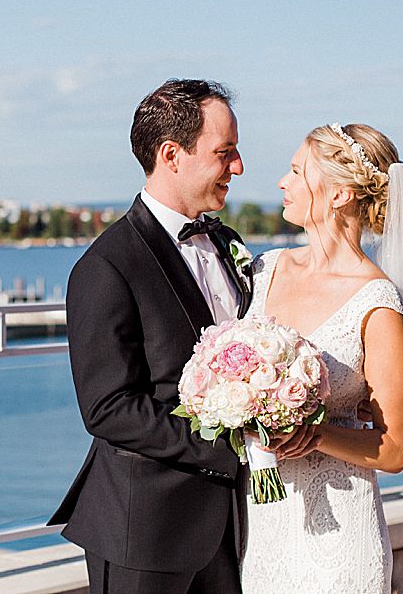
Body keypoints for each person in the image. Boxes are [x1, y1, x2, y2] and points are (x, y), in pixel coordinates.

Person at [50, 79, 252, 594]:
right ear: (172, 155)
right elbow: (109, 407)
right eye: (224, 153)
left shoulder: (228, 245)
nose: (239, 167)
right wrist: (233, 450)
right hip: (145, 529)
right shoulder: (106, 266)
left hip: (232, 529)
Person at [240, 123, 403, 593]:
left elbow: (396, 448)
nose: (283, 181)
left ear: (339, 194)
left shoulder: (377, 304)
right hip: (265, 528)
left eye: (297, 171)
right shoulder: (265, 269)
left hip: (342, 536)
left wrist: (316, 434)